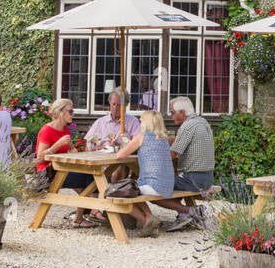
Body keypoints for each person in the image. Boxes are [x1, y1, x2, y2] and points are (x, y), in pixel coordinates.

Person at [36, 98, 98, 229]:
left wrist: (73, 150)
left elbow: (71, 149)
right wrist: (57, 145)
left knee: (91, 178)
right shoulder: (46, 130)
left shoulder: (65, 129)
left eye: (73, 111)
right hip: (48, 172)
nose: (73, 114)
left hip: (63, 169)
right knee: (89, 179)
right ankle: (85, 215)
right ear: (59, 113)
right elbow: (40, 157)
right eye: (70, 111)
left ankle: (87, 213)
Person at [113, 110, 175, 237]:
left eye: (141, 121)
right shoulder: (164, 139)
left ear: (146, 123)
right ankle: (149, 218)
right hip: (168, 185)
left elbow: (120, 155)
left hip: (153, 185)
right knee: (132, 189)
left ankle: (147, 218)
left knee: (125, 192)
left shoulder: (142, 136)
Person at [160, 96, 215, 232]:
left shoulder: (188, 126)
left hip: (193, 180)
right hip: (207, 178)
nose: (171, 115)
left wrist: (151, 159)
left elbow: (172, 155)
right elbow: (183, 142)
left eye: (172, 112)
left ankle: (189, 211)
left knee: (154, 186)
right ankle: (184, 215)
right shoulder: (201, 121)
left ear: (182, 113)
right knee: (169, 181)